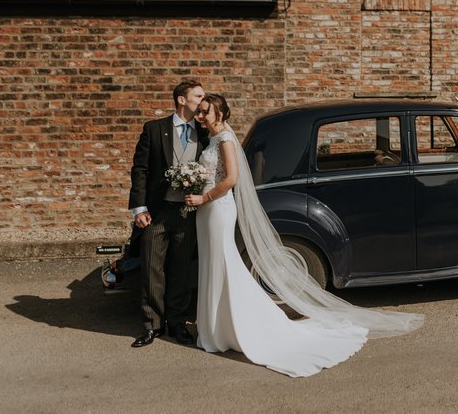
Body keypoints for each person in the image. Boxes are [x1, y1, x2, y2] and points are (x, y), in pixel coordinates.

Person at [184, 94, 423, 377]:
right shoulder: (212, 139)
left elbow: (232, 178)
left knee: (224, 264)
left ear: (220, 114)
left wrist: (205, 197)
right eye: (198, 112)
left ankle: (227, 329)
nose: (199, 117)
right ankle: (215, 329)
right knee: (215, 265)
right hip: (206, 209)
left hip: (217, 207)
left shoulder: (224, 139)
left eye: (204, 112)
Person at [128, 80, 208, 348]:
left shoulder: (204, 133)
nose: (203, 100)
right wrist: (139, 208)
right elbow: (140, 169)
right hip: (156, 211)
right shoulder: (154, 129)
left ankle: (177, 322)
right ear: (181, 100)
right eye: (198, 96)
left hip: (187, 212)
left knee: (181, 270)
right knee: (151, 268)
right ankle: (152, 325)